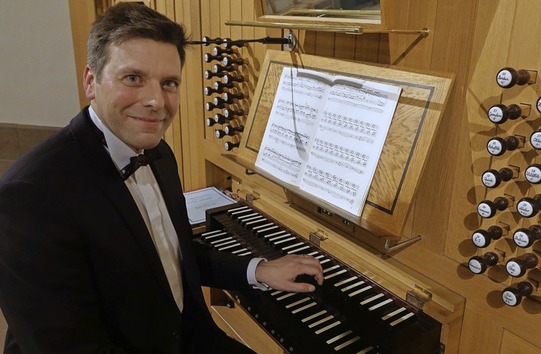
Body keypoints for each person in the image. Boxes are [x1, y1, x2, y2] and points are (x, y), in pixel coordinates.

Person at [0, 3, 323, 353]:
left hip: (185, 336)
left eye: (168, 83)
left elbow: (172, 251)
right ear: (91, 82)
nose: (156, 101)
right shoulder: (30, 195)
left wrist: (256, 270)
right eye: (133, 78)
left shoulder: (158, 153)